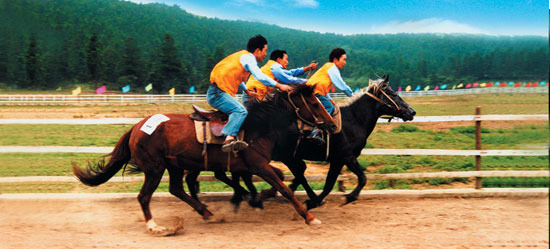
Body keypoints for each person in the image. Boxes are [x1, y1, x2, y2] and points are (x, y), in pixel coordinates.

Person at [207, 34, 292, 152]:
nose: (266, 54)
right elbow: (259, 76)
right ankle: (229, 138)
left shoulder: (242, 57)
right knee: (240, 111)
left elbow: (238, 79)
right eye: (265, 50)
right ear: (257, 50)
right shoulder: (249, 58)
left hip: (219, 92)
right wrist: (279, 85)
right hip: (218, 93)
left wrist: (247, 91)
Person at [305, 48, 353, 144]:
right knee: (329, 107)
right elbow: (341, 84)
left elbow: (322, 85)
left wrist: (329, 98)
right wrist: (353, 96)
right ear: (335, 60)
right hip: (314, 92)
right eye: (344, 59)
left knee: (329, 104)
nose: (345, 62)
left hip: (314, 91)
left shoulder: (327, 67)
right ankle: (315, 132)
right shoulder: (332, 68)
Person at [242, 49, 318, 106]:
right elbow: (287, 78)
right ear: (279, 59)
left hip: (253, 96)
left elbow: (289, 73)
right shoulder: (275, 66)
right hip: (252, 96)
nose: (287, 62)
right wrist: (307, 81)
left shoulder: (272, 66)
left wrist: (306, 68)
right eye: (286, 59)